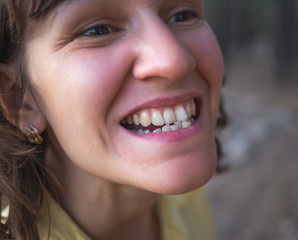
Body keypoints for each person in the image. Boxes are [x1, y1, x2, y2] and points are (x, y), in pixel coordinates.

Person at [0, 0, 224, 239]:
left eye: (182, 15)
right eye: (98, 31)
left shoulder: (183, 195)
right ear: (21, 100)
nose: (174, 60)